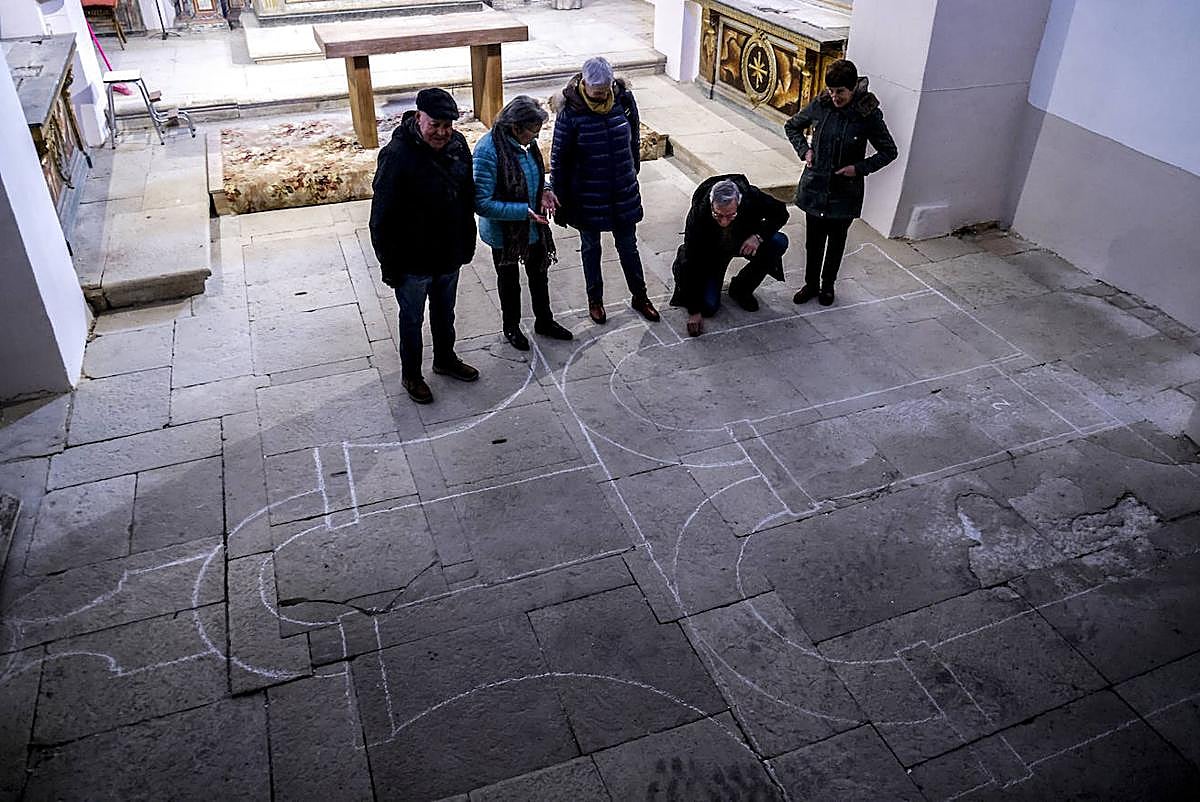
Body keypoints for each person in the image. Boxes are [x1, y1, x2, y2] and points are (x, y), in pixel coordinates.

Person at [369, 87, 479, 405]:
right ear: (419, 118)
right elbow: (381, 218)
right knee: (412, 319)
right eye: (436, 125)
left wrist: (466, 242)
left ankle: (445, 359)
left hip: (448, 253)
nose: (442, 132)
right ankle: (412, 375)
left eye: (448, 125)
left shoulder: (457, 145)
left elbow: (467, 195)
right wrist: (389, 266)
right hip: (412, 261)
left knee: (445, 314)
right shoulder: (397, 156)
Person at [550, 56, 660, 325]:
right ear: (584, 83)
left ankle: (640, 296)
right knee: (590, 248)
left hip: (622, 188)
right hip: (587, 195)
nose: (600, 96)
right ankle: (595, 300)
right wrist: (560, 197)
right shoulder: (570, 112)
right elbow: (559, 158)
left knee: (628, 247)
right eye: (595, 92)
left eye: (604, 90)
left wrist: (633, 169)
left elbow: (633, 135)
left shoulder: (623, 100)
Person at [785, 59, 898, 306]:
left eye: (840, 92)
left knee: (836, 243)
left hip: (844, 192)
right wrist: (805, 151)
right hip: (816, 187)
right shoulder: (821, 105)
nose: (834, 96)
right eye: (831, 91)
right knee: (813, 243)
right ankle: (811, 284)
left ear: (852, 89)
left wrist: (858, 168)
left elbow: (889, 151)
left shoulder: (867, 115)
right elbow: (792, 126)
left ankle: (827, 286)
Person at [473, 95, 574, 351]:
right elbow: (481, 202)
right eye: (533, 131)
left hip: (533, 226)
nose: (536, 137)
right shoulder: (487, 151)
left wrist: (546, 189)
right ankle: (512, 327)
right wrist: (523, 211)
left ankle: (545, 321)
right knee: (509, 282)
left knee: (539, 276)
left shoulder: (526, 144)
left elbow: (537, 175)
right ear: (516, 127)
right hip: (505, 233)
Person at [669, 175, 790, 337]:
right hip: (712, 254)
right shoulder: (698, 214)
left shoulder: (751, 197)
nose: (724, 221)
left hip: (742, 241)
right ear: (712, 205)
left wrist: (758, 236)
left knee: (778, 242)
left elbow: (781, 212)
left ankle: (742, 288)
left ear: (738, 204)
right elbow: (693, 260)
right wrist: (694, 311)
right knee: (708, 307)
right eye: (718, 215)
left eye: (730, 215)